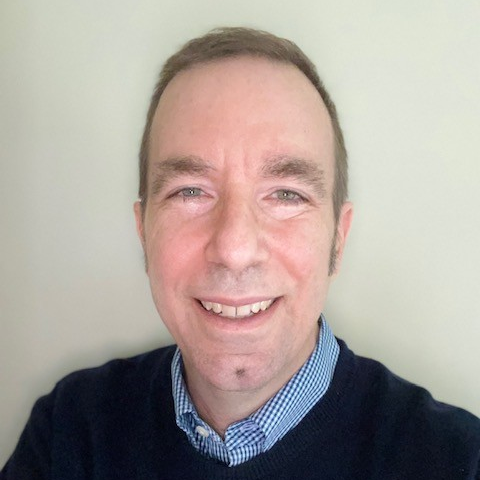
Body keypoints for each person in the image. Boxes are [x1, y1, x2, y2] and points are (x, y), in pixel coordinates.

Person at [2, 27, 479, 479]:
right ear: (144, 232)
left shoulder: (457, 460)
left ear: (338, 237)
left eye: (287, 194)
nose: (234, 249)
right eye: (190, 191)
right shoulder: (69, 431)